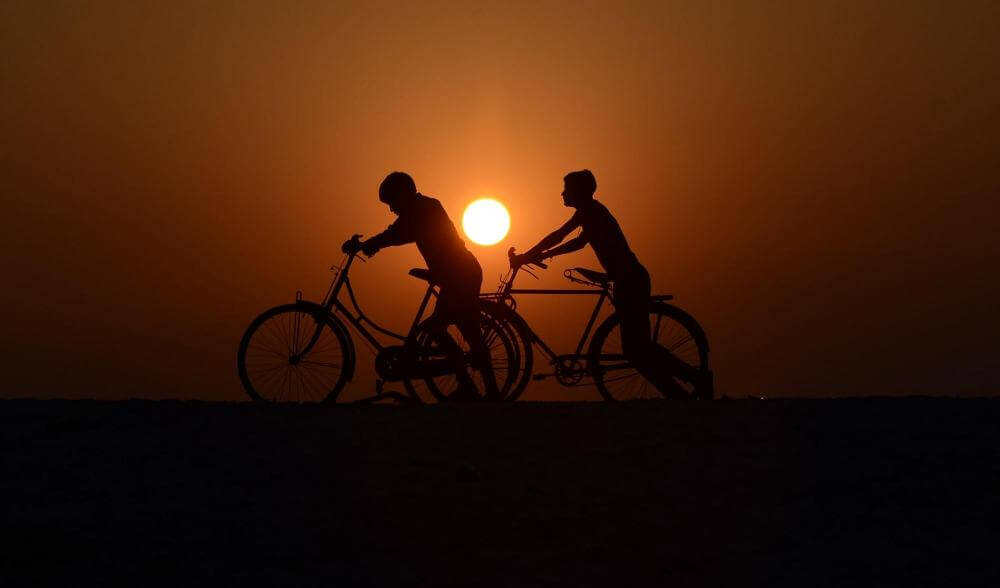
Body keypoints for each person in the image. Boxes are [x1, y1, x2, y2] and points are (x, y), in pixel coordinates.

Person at [513, 169, 708, 398]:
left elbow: (561, 236)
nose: (562, 193)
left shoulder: (592, 212)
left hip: (630, 280)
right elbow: (575, 241)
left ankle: (692, 383)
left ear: (580, 192)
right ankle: (684, 393)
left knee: (638, 350)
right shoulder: (590, 211)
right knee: (638, 349)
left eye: (567, 189)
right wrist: (537, 255)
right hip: (628, 278)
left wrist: (530, 256)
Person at [343, 172, 500, 400]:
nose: (392, 209)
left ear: (404, 195)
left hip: (460, 274)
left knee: (451, 330)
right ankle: (482, 388)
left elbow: (401, 232)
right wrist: (372, 245)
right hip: (454, 274)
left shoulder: (425, 208)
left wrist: (370, 245)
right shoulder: (417, 209)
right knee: (463, 330)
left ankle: (473, 385)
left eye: (392, 202)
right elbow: (397, 231)